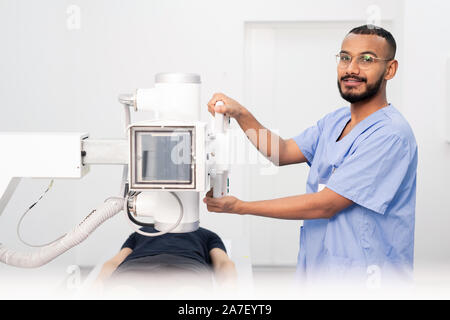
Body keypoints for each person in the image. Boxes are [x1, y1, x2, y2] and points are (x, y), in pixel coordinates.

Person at [203, 25, 417, 286]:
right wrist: (240, 114)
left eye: (367, 59)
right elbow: (280, 152)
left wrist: (240, 207)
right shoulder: (335, 121)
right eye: (345, 57)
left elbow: (325, 204)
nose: (352, 68)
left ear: (390, 69)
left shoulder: (390, 135)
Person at [93, 226, 237, 294]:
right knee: (123, 292)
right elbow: (115, 261)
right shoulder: (141, 231)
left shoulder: (206, 234)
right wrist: (98, 283)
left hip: (186, 269)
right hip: (136, 268)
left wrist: (228, 287)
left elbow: (223, 263)